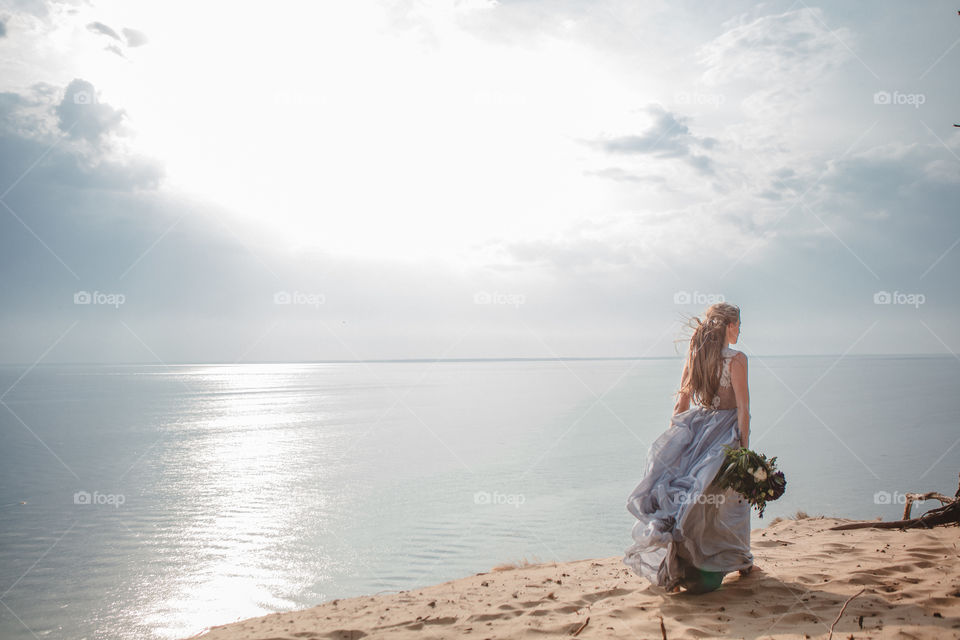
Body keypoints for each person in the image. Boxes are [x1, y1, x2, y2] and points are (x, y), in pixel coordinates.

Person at [623, 302, 755, 594]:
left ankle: (685, 563)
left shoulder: (695, 356)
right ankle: (742, 562)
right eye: (739, 325)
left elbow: (681, 405)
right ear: (730, 326)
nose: (740, 331)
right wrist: (745, 450)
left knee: (693, 502)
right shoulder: (737, 359)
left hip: (696, 429)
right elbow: (743, 410)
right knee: (731, 500)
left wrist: (674, 448)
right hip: (724, 434)